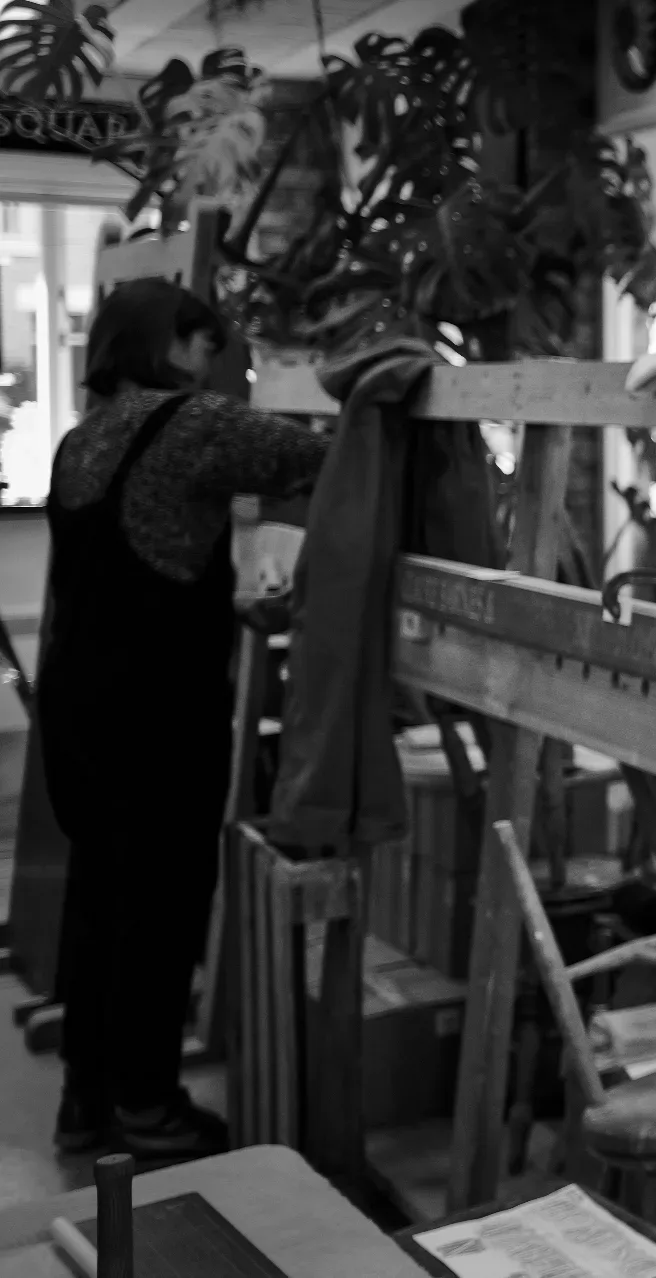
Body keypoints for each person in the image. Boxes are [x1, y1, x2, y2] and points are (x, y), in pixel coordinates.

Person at [37, 279, 330, 1160]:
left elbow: (147, 562)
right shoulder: (192, 425)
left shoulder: (78, 439)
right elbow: (318, 456)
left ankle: (87, 1104)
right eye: (211, 348)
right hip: (155, 718)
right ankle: (148, 1105)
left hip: (79, 714)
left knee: (98, 902)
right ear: (175, 346)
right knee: (161, 906)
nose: (220, 368)